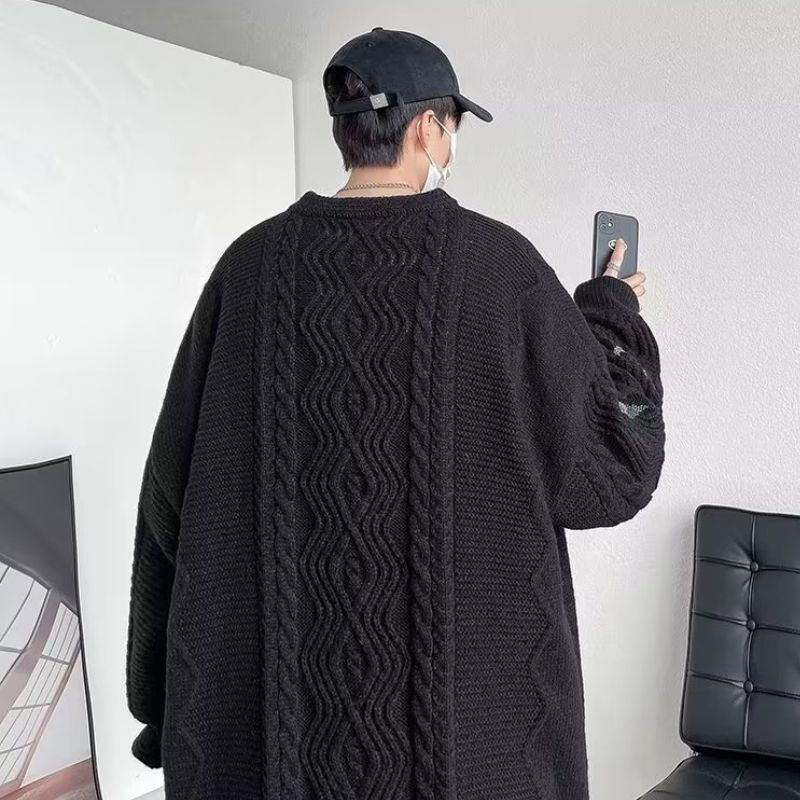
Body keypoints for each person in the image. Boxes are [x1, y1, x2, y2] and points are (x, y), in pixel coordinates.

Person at [125, 26, 665, 800]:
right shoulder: (501, 269)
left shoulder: (245, 270)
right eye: (452, 125)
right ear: (428, 128)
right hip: (479, 759)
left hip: (271, 758)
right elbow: (616, 468)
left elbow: (168, 499)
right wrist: (611, 318)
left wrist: (159, 702)